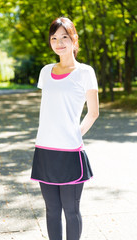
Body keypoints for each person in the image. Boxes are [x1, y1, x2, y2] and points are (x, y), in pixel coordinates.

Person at [31, 17, 99, 240]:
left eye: (64, 37)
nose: (59, 42)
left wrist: (74, 134)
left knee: (71, 211)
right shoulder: (45, 71)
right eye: (54, 38)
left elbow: (93, 113)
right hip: (45, 149)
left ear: (74, 40)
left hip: (70, 152)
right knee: (51, 211)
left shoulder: (85, 72)